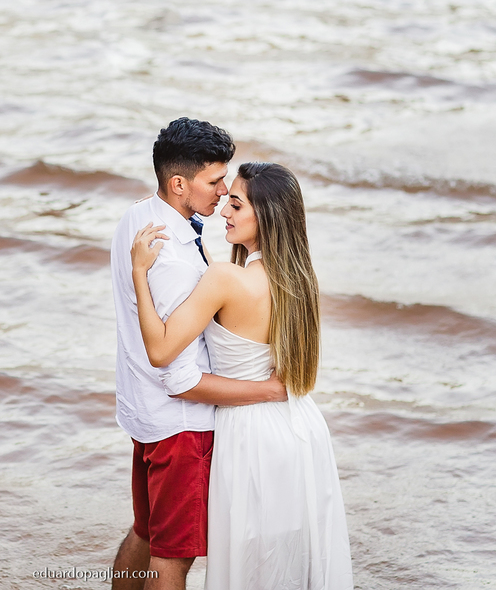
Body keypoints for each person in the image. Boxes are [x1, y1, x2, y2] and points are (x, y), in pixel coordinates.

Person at [131, 161, 353, 590]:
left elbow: (160, 350)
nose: (223, 211)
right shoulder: (300, 279)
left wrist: (140, 272)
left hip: (249, 434)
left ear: (266, 216)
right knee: (292, 564)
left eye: (235, 203)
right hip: (301, 430)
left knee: (251, 567)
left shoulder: (225, 279)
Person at [111, 119, 288, 590]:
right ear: (178, 183)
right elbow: (179, 376)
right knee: (174, 560)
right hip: (182, 430)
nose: (224, 191)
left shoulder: (138, 218)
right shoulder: (176, 263)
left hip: (143, 415)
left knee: (146, 533)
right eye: (214, 181)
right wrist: (267, 390)